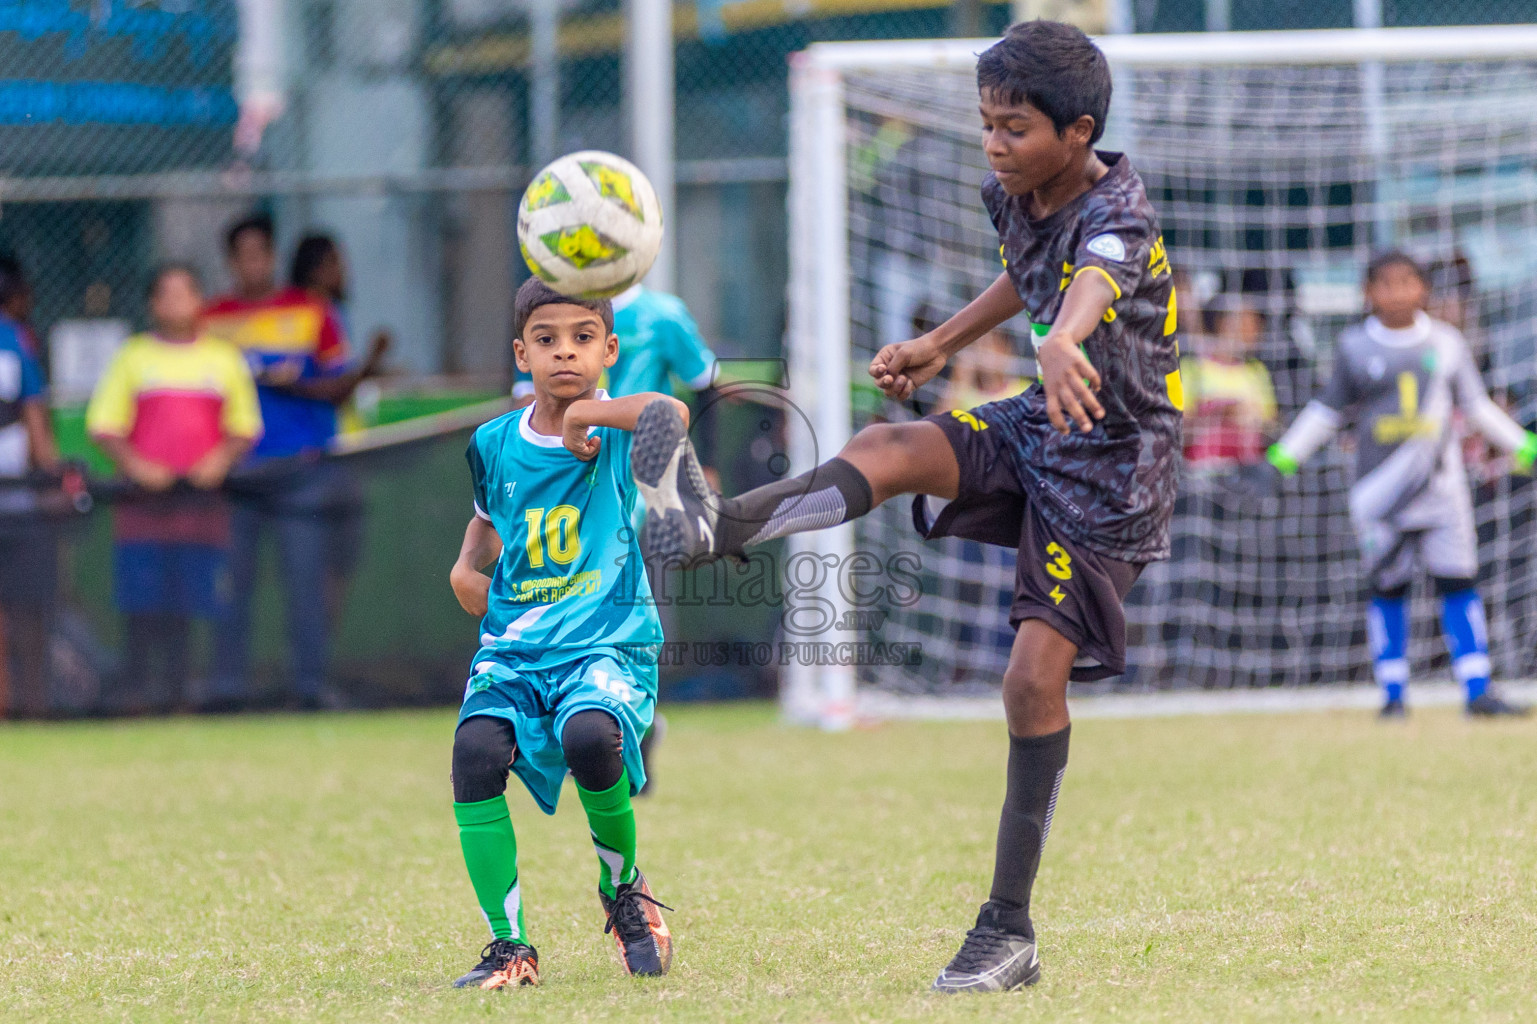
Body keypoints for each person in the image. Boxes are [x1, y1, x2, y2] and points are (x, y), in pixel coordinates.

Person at [628, 21, 1182, 993]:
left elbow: (1090, 274)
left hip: (1116, 465)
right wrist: (939, 341)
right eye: (985, 124)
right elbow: (1031, 271)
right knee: (887, 448)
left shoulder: (1119, 211)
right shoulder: (1011, 191)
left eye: (1013, 128)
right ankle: (716, 532)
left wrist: (1064, 338)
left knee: (1026, 684)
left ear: (1077, 129)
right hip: (1042, 424)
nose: (994, 143)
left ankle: (1007, 930)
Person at [446, 278, 679, 989]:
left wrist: (589, 413)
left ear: (609, 350)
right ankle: (509, 945)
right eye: (546, 340)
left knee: (589, 737)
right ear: (522, 354)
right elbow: (489, 521)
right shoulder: (491, 443)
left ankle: (625, 890)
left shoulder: (611, 435)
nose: (565, 353)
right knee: (474, 751)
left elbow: (669, 412)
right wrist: (463, 567)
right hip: (517, 646)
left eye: (582, 338)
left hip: (605, 643)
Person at [1236, 251, 1536, 718]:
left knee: (1459, 582)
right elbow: (1326, 413)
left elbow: (1477, 408)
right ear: (1368, 293)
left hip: (1442, 490)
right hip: (1379, 492)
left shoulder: (1449, 343)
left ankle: (1477, 688)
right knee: (1387, 587)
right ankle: (1393, 693)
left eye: (1407, 282)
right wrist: (1279, 462)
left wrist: (1526, 447)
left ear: (1424, 289)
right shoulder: (1355, 347)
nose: (1397, 293)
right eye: (1385, 284)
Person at [516, 283, 719, 794]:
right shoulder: (543, 310)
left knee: (638, 622)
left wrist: (707, 464)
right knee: (559, 612)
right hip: (562, 496)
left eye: (584, 337)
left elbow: (704, 386)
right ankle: (565, 736)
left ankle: (635, 733)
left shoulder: (662, 314)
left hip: (640, 492)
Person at [201, 215, 379, 711]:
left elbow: (341, 385)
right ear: (231, 261)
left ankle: (308, 686)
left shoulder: (311, 312)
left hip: (304, 472)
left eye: (262, 253)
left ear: (273, 257)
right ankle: (226, 689)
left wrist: (290, 383)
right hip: (235, 474)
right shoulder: (209, 319)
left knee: (305, 583)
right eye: (244, 254)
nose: (253, 263)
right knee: (231, 587)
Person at [86, 265, 262, 713]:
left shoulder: (223, 358)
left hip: (203, 511)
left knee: (196, 605)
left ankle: (187, 697)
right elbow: (104, 426)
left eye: (186, 292)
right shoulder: (133, 357)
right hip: (143, 511)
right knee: (143, 605)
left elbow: (245, 428)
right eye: (167, 294)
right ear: (153, 304)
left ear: (200, 298)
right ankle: (139, 697)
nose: (177, 302)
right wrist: (137, 466)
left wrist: (218, 461)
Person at [288, 233, 391, 633]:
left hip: (346, 454)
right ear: (315, 268)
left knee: (338, 564)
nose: (342, 271)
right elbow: (334, 388)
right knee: (324, 569)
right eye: (335, 262)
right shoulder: (313, 312)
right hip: (326, 456)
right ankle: (316, 654)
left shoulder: (330, 312)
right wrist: (372, 361)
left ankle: (320, 652)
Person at [0, 256, 61, 718]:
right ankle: (24, 708)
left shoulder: (14, 342)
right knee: (20, 617)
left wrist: (53, 477)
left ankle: (28, 708)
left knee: (24, 612)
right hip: (17, 498)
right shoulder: (16, 340)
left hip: (15, 498)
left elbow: (34, 416)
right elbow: (37, 422)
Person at [1179, 290, 1278, 471]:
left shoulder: (1256, 371)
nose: (1254, 331)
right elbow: (1179, 425)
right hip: (1202, 470)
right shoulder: (1194, 368)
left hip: (1248, 468)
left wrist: (1252, 420)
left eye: (1256, 325)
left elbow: (1271, 423)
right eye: (1247, 323)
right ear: (1222, 324)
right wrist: (1218, 411)